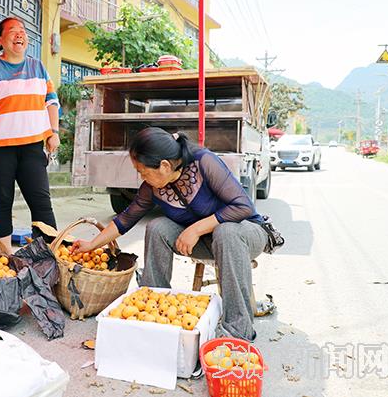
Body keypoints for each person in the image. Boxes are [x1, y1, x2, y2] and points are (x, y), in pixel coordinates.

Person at [73, 127, 269, 341]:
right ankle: (153, 309)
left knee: (226, 231)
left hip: (244, 235)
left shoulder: (204, 162)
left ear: (165, 166)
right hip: (206, 242)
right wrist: (91, 245)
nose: (142, 177)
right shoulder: (153, 187)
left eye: (144, 171)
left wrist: (195, 229)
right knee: (157, 227)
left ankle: (238, 331)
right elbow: (125, 219)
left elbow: (243, 207)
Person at [0, 16, 60, 253]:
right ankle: (5, 256)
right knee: (1, 201)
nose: (19, 34)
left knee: (41, 203)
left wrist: (54, 132)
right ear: (0, 39)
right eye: (11, 31)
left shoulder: (38, 66)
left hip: (32, 147)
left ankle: (47, 255)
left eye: (22, 30)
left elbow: (51, 102)